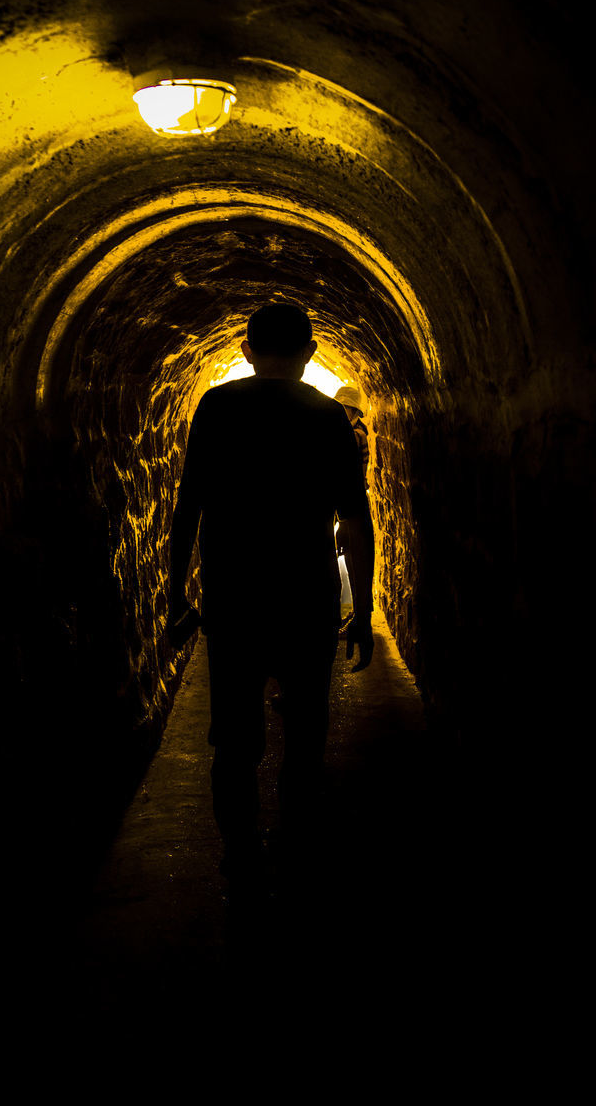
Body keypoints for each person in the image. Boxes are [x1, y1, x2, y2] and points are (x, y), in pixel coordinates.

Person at [168, 302, 375, 883]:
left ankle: (240, 850)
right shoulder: (330, 417)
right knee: (306, 731)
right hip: (306, 599)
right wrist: (361, 612)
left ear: (246, 351)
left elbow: (189, 506)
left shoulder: (216, 408)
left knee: (234, 739)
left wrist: (175, 593)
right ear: (310, 355)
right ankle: (296, 839)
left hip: (234, 600)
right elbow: (357, 521)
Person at [333, 385, 370, 631]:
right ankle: (359, 616)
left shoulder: (354, 435)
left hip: (351, 505)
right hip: (352, 505)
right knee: (353, 558)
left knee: (355, 561)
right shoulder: (356, 432)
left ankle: (360, 618)